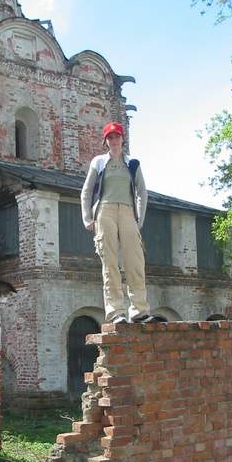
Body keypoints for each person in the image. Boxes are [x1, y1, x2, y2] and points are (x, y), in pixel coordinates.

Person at [81, 121, 157, 324]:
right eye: (110, 137)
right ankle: (116, 312)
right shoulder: (98, 162)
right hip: (104, 210)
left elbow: (141, 191)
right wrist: (87, 217)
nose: (114, 140)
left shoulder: (133, 163)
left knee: (135, 261)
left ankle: (139, 311)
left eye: (117, 136)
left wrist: (139, 218)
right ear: (106, 141)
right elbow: (87, 191)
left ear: (123, 139)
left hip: (127, 212)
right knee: (110, 263)